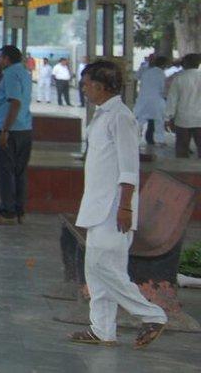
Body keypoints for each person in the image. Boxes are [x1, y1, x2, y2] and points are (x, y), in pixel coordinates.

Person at [68, 61, 167, 349]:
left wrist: (126, 207)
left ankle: (152, 315)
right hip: (97, 206)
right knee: (95, 270)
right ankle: (102, 329)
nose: (84, 87)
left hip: (113, 209)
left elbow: (129, 167)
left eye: (87, 83)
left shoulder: (121, 117)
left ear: (101, 85)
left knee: (103, 267)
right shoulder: (103, 115)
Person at [0, 45, 33, 225]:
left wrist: (5, 130)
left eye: (1, 58)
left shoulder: (10, 74)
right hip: (25, 128)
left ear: (6, 59)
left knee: (5, 171)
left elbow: (14, 102)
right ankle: (19, 211)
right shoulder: (24, 72)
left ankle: (7, 212)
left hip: (10, 130)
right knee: (19, 172)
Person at [166, 53, 201, 158]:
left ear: (185, 63)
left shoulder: (179, 78)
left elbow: (172, 99)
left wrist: (168, 117)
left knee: (182, 149)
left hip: (183, 120)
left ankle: (181, 171)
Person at [133, 56, 167, 147]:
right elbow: (163, 89)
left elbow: (135, 80)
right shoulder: (161, 73)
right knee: (159, 121)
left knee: (139, 120)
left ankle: (134, 139)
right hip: (156, 100)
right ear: (163, 65)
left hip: (143, 99)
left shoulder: (145, 71)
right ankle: (159, 140)